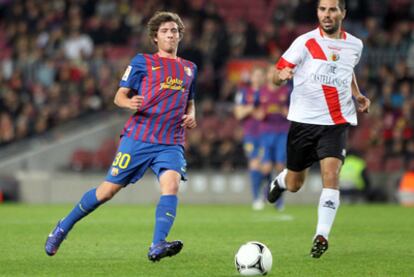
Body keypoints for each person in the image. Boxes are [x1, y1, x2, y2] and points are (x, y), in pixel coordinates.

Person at [45, 11, 198, 262]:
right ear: (155, 38)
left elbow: (190, 101)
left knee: (171, 186)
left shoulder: (190, 68)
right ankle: (63, 226)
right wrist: (130, 103)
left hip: (171, 141)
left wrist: (192, 115)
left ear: (180, 35)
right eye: (165, 31)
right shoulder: (142, 62)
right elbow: (119, 96)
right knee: (106, 192)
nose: (171, 34)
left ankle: (157, 244)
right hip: (139, 138)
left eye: (174, 31)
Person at [267, 0, 371, 258]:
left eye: (332, 9)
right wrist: (280, 78)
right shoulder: (304, 42)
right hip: (303, 122)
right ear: (317, 13)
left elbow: (347, 71)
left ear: (342, 13)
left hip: (335, 123)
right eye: (323, 9)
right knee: (295, 184)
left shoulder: (355, 45)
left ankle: (321, 234)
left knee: (331, 174)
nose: (327, 14)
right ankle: (281, 180)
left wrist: (357, 95)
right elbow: (276, 73)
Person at [257, 65, 291, 210]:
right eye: (270, 71)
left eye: (275, 71)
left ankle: (279, 200)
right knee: (265, 168)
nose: (273, 74)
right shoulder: (261, 92)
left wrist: (285, 112)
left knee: (279, 166)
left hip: (282, 132)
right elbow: (256, 112)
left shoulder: (287, 91)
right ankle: (266, 191)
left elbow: (293, 112)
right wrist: (261, 114)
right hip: (266, 132)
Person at [234, 66, 266, 210]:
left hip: (268, 133)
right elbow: (239, 114)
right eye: (255, 75)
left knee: (267, 166)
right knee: (254, 163)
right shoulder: (244, 92)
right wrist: (252, 107)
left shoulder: (268, 92)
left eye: (260, 75)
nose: (258, 78)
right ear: (251, 77)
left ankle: (267, 194)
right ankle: (256, 197)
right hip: (251, 134)